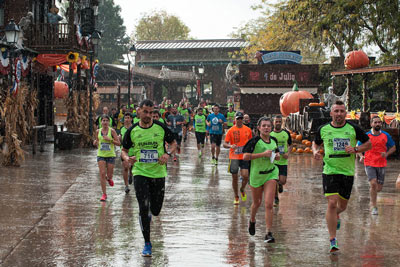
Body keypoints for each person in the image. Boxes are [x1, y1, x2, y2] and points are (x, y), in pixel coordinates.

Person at [312, 100, 371, 253]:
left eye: (341, 111)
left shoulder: (354, 128)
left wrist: (356, 149)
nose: (339, 114)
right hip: (329, 170)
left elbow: (369, 144)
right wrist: (315, 152)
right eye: (336, 111)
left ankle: (336, 215)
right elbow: (315, 143)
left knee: (342, 206)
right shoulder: (323, 129)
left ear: (345, 113)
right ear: (331, 113)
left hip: (347, 172)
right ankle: (333, 240)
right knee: (331, 203)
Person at [121, 99, 176, 257]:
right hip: (140, 172)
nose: (148, 115)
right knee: (143, 207)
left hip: (158, 173)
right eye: (145, 112)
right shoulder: (132, 130)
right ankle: (147, 243)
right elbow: (123, 150)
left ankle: (150, 213)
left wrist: (168, 154)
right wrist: (127, 158)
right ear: (139, 111)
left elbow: (173, 143)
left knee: (156, 210)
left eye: (151, 112)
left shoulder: (160, 127)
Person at [243, 117, 280, 243]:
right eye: (263, 126)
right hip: (257, 175)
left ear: (271, 128)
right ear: (258, 128)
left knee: (269, 204)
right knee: (257, 203)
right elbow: (245, 156)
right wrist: (262, 154)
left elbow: (276, 153)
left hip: (271, 173)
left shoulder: (274, 140)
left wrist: (277, 156)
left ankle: (268, 233)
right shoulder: (254, 141)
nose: (266, 128)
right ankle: (252, 220)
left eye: (268, 126)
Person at [357, 116, 396, 215]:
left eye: (379, 122)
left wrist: (386, 154)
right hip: (369, 163)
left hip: (381, 163)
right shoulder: (366, 136)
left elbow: (393, 147)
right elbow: (358, 147)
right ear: (371, 124)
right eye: (375, 122)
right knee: (373, 184)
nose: (378, 124)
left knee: (378, 188)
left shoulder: (386, 135)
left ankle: (372, 196)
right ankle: (373, 206)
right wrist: (361, 156)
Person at [223, 111, 252, 205]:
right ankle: (236, 196)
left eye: (241, 119)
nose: (239, 120)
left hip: (244, 156)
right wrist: (230, 146)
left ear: (242, 119)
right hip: (234, 157)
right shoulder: (230, 130)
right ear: (235, 120)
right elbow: (224, 144)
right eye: (238, 119)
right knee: (234, 178)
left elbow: (251, 142)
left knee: (245, 176)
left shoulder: (248, 130)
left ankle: (242, 188)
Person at [93, 115, 120, 201]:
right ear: (101, 122)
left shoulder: (112, 131)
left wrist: (110, 140)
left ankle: (109, 178)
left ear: (109, 122)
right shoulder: (98, 131)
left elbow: (119, 143)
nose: (105, 122)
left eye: (106, 121)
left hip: (111, 155)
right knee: (102, 173)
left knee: (109, 175)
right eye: (103, 120)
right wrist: (95, 142)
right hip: (101, 155)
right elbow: (97, 140)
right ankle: (104, 194)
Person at [270, 115, 292, 205]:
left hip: (283, 161)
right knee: (274, 179)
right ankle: (276, 198)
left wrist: (288, 153)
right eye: (276, 121)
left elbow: (290, 145)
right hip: (273, 161)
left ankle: (280, 185)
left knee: (282, 181)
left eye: (280, 121)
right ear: (273, 122)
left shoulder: (286, 133)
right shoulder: (270, 134)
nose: (278, 123)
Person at [119, 112, 134, 193]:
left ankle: (131, 175)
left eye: (128, 118)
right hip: (124, 151)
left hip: (133, 151)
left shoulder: (135, 128)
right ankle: (126, 186)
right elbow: (120, 139)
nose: (127, 120)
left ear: (131, 119)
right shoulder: (122, 129)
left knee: (132, 167)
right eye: (125, 118)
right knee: (125, 167)